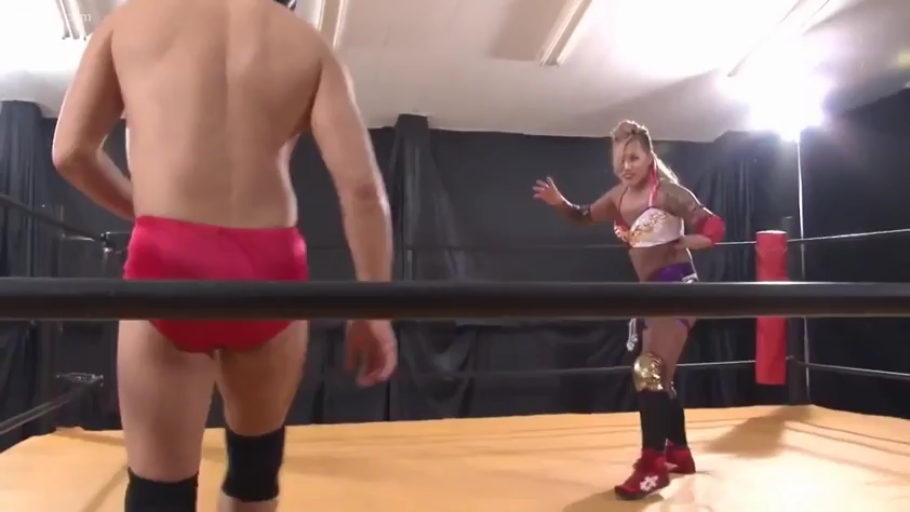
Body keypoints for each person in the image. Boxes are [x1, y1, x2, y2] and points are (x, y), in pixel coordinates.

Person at [51, 0, 397, 510]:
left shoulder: (130, 23)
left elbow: (70, 153)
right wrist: (375, 311)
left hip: (168, 261)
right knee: (255, 473)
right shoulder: (307, 46)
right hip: (270, 269)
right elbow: (363, 192)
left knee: (158, 493)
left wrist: (147, 213)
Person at [532, 120, 725, 500]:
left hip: (678, 285)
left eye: (633, 157)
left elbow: (713, 227)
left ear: (649, 157)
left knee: (648, 369)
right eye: (620, 159)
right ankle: (679, 452)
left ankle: (653, 467)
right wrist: (560, 203)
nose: (626, 165)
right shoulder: (617, 197)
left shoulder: (667, 193)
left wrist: (686, 240)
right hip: (652, 292)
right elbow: (584, 216)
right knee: (658, 375)